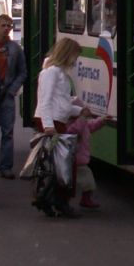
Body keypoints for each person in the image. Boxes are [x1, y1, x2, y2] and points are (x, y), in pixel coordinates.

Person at [33, 37, 91, 217]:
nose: (75, 61)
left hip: (55, 119)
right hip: (52, 121)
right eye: (75, 56)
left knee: (59, 164)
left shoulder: (58, 73)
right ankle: (57, 200)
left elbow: (61, 102)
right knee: (63, 164)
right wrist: (48, 126)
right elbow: (45, 101)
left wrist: (79, 110)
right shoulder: (52, 73)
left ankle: (50, 199)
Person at [0, 14, 27, 179]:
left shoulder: (15, 49)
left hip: (7, 94)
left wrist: (12, 89)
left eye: (9, 26)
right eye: (3, 25)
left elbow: (22, 72)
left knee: (8, 132)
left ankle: (6, 167)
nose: (6, 29)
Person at [65, 109, 113, 209]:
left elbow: (91, 125)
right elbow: (75, 130)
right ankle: (82, 200)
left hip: (79, 160)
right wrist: (82, 118)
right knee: (86, 181)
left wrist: (101, 120)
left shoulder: (82, 123)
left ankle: (84, 199)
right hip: (75, 159)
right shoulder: (71, 124)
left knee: (85, 181)